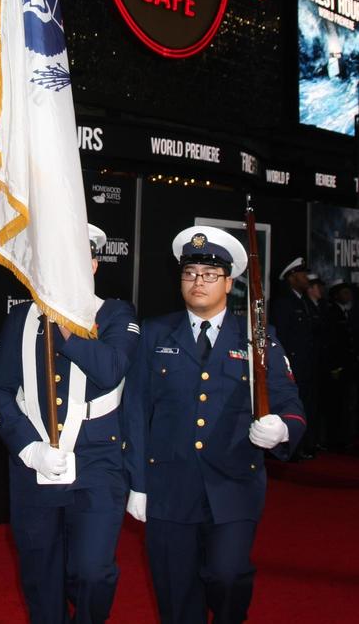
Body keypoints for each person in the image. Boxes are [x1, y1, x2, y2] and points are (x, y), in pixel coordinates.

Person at [123, 226, 305, 624]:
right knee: (174, 588)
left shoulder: (258, 338)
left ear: (229, 282)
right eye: (190, 273)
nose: (197, 282)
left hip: (234, 484)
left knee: (227, 576)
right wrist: (137, 482)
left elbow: (290, 402)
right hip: (170, 486)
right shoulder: (154, 334)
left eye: (209, 275)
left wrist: (283, 429)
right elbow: (134, 410)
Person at [0, 223, 140, 624]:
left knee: (92, 571)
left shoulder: (115, 314)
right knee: (40, 575)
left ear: (92, 265)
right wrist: (27, 447)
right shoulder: (20, 318)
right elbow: (0, 391)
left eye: (74, 263)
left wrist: (67, 333)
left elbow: (111, 369)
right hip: (33, 465)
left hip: (97, 461)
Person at [270, 256, 319, 458]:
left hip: (308, 366)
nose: (306, 278)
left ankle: (306, 445)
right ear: (291, 277)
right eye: (302, 274)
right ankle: (294, 449)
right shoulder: (283, 303)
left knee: (307, 406)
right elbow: (282, 336)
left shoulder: (306, 302)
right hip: (292, 365)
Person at [322, 279, 359, 451]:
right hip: (337, 367)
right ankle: (336, 440)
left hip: (348, 366)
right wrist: (334, 366)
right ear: (336, 295)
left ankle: (345, 438)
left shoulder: (348, 313)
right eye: (344, 292)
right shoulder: (332, 313)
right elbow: (332, 341)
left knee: (347, 404)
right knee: (337, 404)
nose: (348, 295)